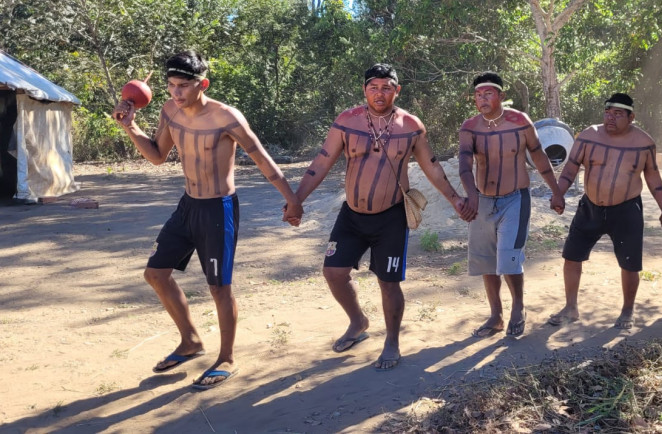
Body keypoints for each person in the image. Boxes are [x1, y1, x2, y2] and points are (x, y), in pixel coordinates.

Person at [112, 50, 300, 389]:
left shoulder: (227, 117)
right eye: (171, 85)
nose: (176, 93)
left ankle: (227, 357)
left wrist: (292, 200)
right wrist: (130, 126)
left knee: (218, 287)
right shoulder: (170, 111)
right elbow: (157, 156)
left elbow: (262, 158)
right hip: (188, 206)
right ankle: (190, 341)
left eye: (183, 86)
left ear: (203, 84)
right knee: (155, 274)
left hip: (218, 209)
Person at [287, 63, 466, 370]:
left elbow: (433, 167)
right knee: (333, 272)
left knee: (388, 282)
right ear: (364, 90)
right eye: (373, 87)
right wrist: (296, 200)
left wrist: (455, 199)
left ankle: (392, 342)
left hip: (391, 217)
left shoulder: (410, 126)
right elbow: (322, 161)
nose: (379, 93)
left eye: (386, 87)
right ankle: (358, 322)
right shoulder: (347, 121)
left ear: (397, 90)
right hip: (352, 216)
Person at [547, 93, 662, 329]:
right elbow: (571, 167)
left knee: (630, 264)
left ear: (631, 117)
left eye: (618, 114)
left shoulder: (644, 143)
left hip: (626, 210)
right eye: (607, 113)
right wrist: (558, 193)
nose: (610, 118)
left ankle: (627, 310)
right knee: (571, 256)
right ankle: (571, 307)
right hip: (590, 207)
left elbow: (653, 177)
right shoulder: (588, 136)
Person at [459, 72, 565, 338]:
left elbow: (539, 157)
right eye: (478, 95)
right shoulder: (470, 127)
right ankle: (495, 315)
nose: (482, 99)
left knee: (509, 257)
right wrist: (472, 195)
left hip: (515, 199)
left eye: (488, 94)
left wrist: (556, 192)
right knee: (486, 261)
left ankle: (518, 307)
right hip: (483, 201)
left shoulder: (519, 122)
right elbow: (465, 165)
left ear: (501, 96)